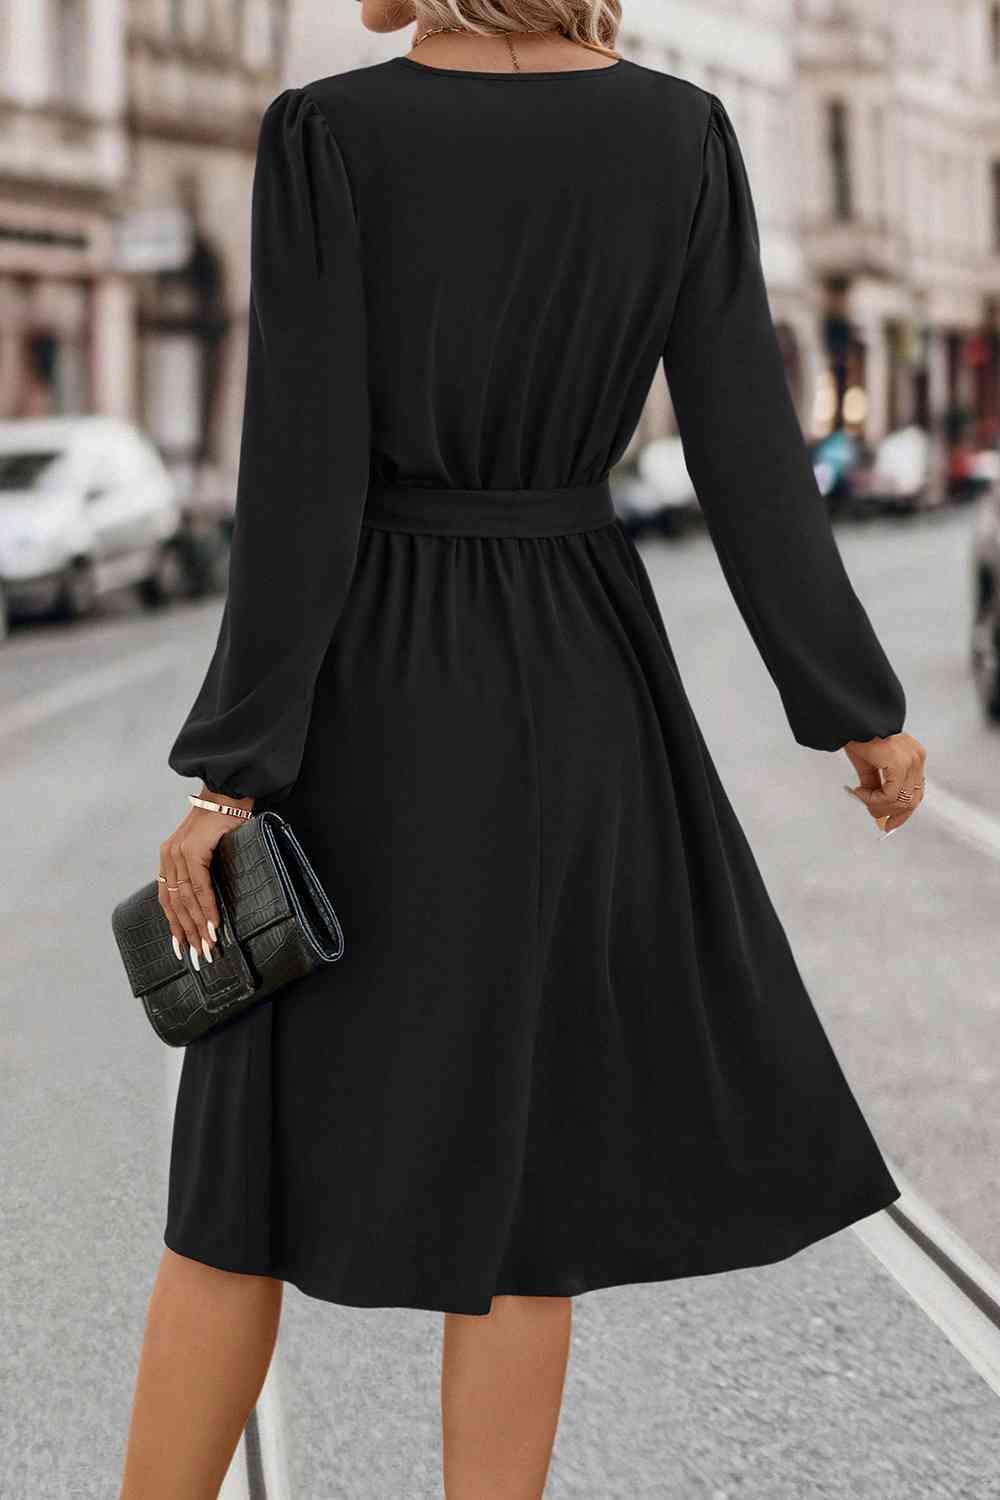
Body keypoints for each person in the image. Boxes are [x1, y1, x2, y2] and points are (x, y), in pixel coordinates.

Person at [119, 3, 927, 1496]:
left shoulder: (330, 134)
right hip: (577, 686)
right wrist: (855, 703)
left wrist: (230, 775)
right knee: (524, 1182)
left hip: (368, 693)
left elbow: (297, 472)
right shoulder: (675, 134)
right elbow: (751, 441)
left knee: (242, 1164)